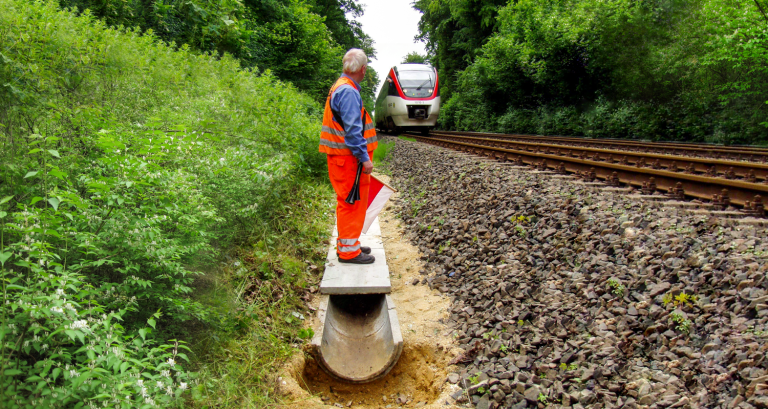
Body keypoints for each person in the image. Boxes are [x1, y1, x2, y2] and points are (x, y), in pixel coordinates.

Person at [319, 48, 378, 264]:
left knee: (350, 200)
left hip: (343, 158)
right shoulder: (348, 92)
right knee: (351, 202)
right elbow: (353, 131)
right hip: (349, 159)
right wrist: (365, 158)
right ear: (362, 69)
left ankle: (349, 243)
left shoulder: (341, 86)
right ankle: (348, 252)